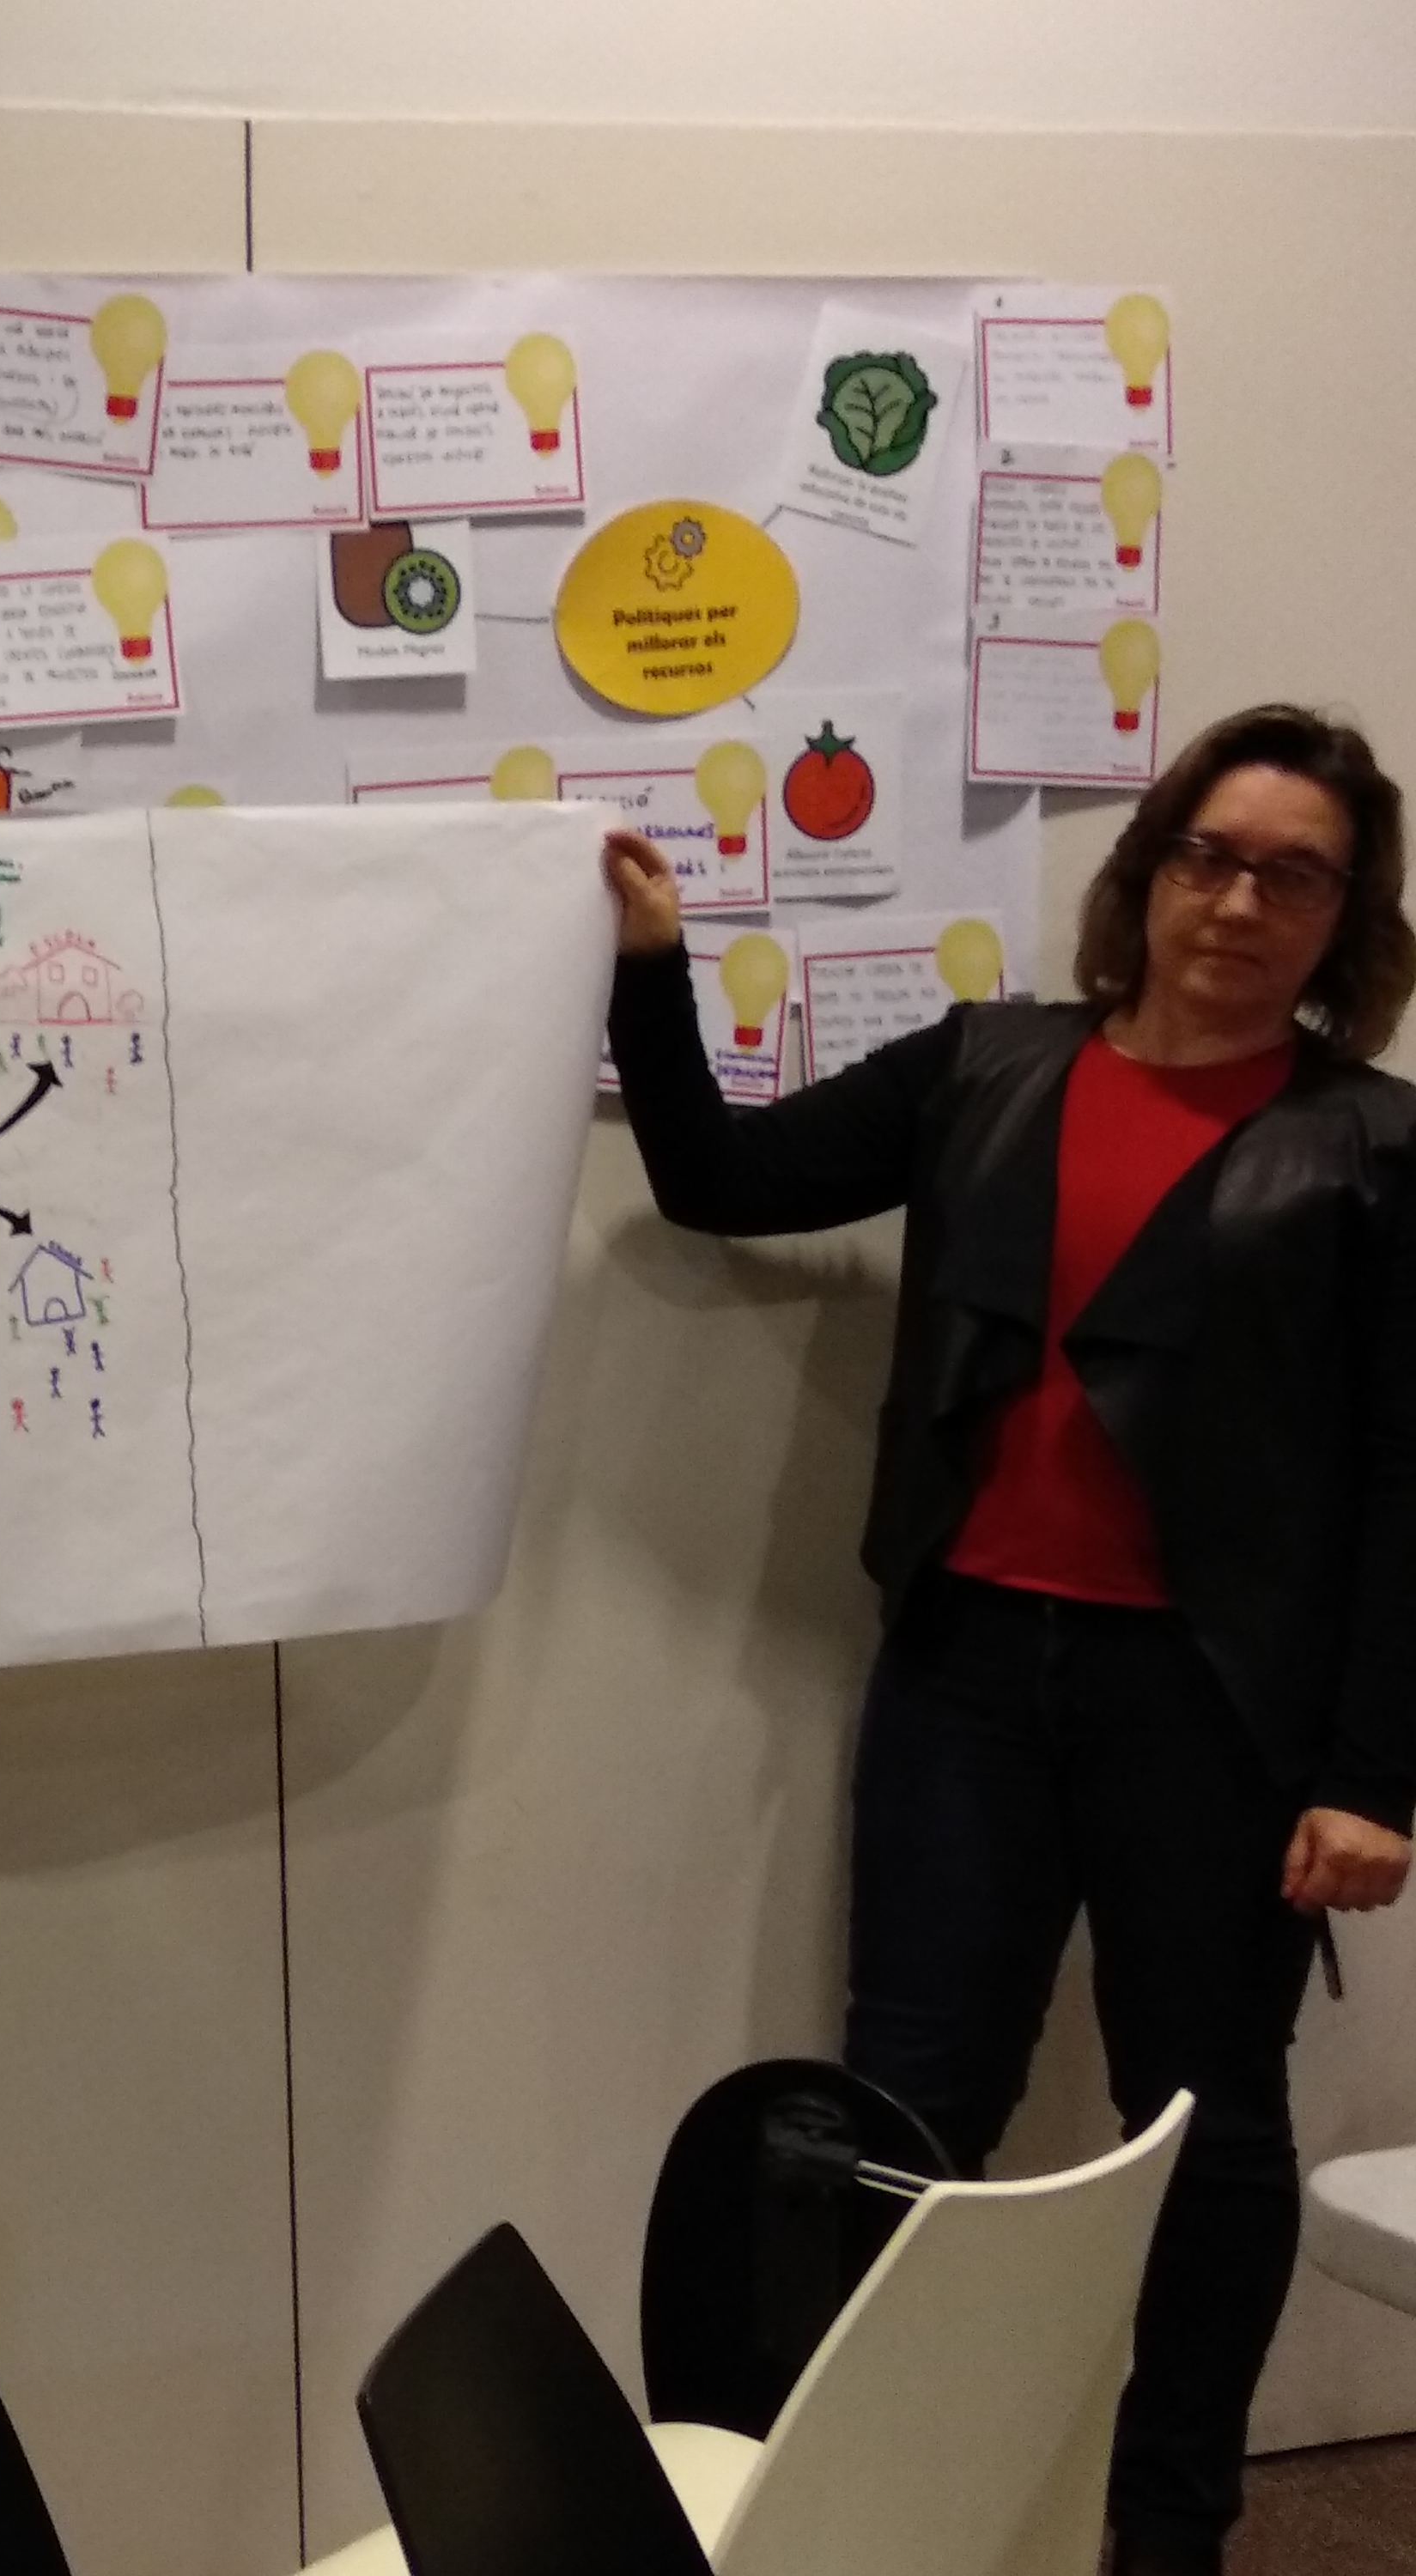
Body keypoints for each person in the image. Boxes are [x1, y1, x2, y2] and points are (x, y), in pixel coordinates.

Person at [600, 705, 1416, 2576]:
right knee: (900, 2119)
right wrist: (651, 971)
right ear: (1149, 870)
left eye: (1295, 876)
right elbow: (716, 1179)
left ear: (1345, 917)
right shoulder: (987, 1066)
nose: (1240, 903)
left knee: (1201, 2127)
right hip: (964, 1677)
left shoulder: (1375, 1149)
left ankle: (1168, 2532)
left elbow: (1405, 1479)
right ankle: (883, 2513)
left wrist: (1374, 1776)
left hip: (1213, 1712)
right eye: (1211, 856)